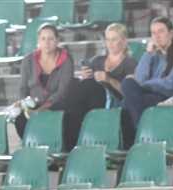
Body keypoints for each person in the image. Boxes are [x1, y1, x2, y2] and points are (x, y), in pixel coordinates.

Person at [57, 23, 137, 152]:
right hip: (93, 101)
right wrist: (84, 76)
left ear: (123, 41)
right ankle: (68, 136)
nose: (110, 43)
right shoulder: (97, 60)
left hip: (114, 101)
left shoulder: (130, 63)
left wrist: (109, 80)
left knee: (87, 88)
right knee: (74, 85)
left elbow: (130, 92)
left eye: (114, 39)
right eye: (108, 39)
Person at [120, 16, 173, 141]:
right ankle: (141, 131)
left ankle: (137, 135)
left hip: (166, 98)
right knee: (127, 83)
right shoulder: (152, 56)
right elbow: (139, 79)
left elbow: (171, 83)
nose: (157, 36)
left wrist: (147, 84)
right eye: (153, 33)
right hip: (146, 95)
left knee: (127, 104)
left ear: (171, 33)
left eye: (161, 31)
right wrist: (147, 54)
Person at [8, 23, 73, 139]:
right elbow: (23, 88)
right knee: (20, 119)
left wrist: (42, 109)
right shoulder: (28, 60)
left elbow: (62, 91)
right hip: (34, 103)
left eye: (51, 39)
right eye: (43, 39)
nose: (47, 43)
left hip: (56, 103)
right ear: (38, 41)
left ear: (57, 40)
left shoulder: (66, 60)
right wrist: (24, 104)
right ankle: (32, 144)